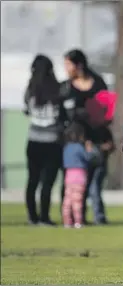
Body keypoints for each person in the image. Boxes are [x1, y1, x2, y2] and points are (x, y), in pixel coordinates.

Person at [61, 49, 113, 225]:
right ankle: (77, 217)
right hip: (75, 142)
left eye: (68, 64)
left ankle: (99, 217)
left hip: (98, 140)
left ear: (79, 65)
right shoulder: (66, 87)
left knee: (95, 183)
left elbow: (107, 111)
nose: (66, 68)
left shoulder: (98, 83)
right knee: (75, 182)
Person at [23, 54, 65, 226]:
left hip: (34, 141)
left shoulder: (30, 90)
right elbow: (63, 115)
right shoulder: (58, 89)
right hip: (53, 141)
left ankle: (32, 217)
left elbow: (27, 110)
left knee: (32, 181)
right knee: (47, 182)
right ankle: (44, 217)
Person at [62, 122, 100, 229]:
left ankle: (67, 221)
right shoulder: (79, 147)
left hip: (68, 175)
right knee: (77, 200)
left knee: (67, 200)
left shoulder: (67, 147)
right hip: (79, 176)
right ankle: (78, 221)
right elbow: (88, 158)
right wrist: (89, 149)